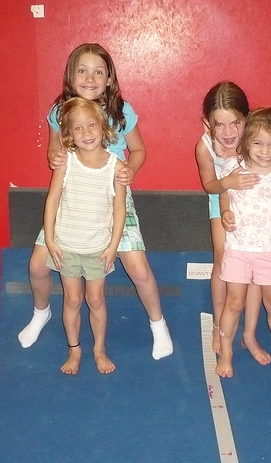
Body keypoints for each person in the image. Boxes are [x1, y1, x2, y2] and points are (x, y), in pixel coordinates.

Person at [18, 43, 173, 361]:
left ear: (109, 78)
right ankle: (41, 312)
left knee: (138, 269)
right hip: (72, 196)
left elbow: (139, 150)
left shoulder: (121, 111)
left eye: (98, 71)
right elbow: (53, 152)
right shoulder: (60, 112)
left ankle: (159, 325)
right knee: (37, 265)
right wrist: (55, 155)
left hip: (112, 193)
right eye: (83, 70)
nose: (90, 77)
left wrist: (130, 169)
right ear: (71, 76)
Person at [216, 106, 271, 378]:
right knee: (234, 302)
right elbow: (224, 194)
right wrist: (225, 211)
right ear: (247, 142)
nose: (265, 151)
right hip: (238, 248)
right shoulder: (234, 167)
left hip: (270, 251)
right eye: (258, 143)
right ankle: (227, 351)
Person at [44, 97, 126, 374]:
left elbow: (119, 209)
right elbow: (52, 200)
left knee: (96, 299)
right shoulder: (66, 162)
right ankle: (74, 351)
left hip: (97, 249)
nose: (86, 133)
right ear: (68, 134)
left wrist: (113, 246)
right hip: (66, 247)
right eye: (77, 128)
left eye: (91, 125)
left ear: (103, 127)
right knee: (72, 299)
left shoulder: (116, 167)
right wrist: (50, 240)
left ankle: (99, 349)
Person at [195, 82, 271, 366]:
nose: (228, 133)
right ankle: (218, 323)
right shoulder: (204, 147)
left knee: (252, 268)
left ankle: (248, 334)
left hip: (254, 204)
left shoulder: (256, 137)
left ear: (246, 119)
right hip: (220, 200)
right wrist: (227, 180)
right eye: (220, 125)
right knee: (223, 261)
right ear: (207, 123)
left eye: (235, 123)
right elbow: (209, 185)